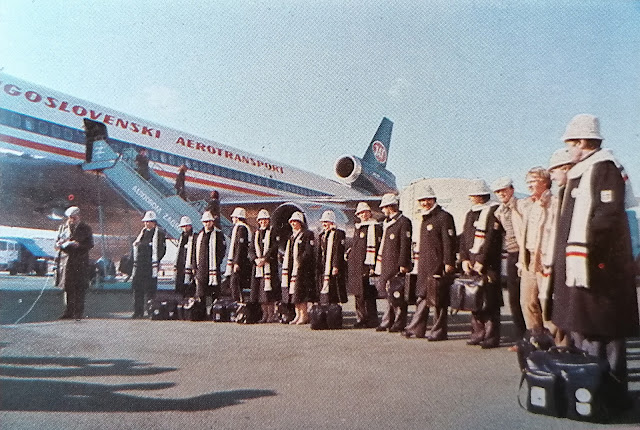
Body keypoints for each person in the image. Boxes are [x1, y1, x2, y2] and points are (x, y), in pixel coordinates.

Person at [551, 114, 638, 403]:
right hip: (579, 267)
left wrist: (589, 255)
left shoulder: (604, 169)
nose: (569, 148)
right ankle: (587, 386)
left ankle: (610, 391)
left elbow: (606, 215)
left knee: (604, 330)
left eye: (572, 142)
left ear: (584, 142)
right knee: (583, 327)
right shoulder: (581, 172)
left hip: (598, 270)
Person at [517, 167, 565, 344]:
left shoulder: (555, 202)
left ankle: (555, 343)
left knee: (547, 303)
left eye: (534, 181)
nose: (529, 185)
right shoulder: (528, 204)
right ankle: (536, 338)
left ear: (545, 182)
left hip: (545, 258)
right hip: (528, 258)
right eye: (528, 181)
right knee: (527, 301)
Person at [402, 186, 456, 340]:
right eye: (422, 200)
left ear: (434, 200)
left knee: (439, 299)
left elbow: (449, 242)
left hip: (438, 264)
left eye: (428, 199)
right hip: (424, 265)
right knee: (423, 296)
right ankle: (417, 329)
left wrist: (448, 262)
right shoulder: (424, 218)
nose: (425, 203)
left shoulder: (443, 217)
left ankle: (438, 331)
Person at [459, 180, 503, 349]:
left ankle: (491, 336)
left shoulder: (492, 211)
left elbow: (491, 239)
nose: (472, 197)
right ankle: (477, 332)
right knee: (474, 299)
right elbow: (464, 237)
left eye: (475, 194)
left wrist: (481, 261)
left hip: (488, 264)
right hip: (471, 261)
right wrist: (464, 259)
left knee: (489, 300)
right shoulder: (471, 213)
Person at [491, 176, 528, 349]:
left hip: (525, 253)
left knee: (528, 299)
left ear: (511, 190)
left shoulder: (522, 205)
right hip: (512, 254)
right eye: (498, 192)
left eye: (504, 190)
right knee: (514, 299)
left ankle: (534, 339)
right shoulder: (498, 212)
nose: (501, 194)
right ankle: (521, 339)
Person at [374, 193, 412, 333]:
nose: (383, 210)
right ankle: (387, 320)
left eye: (384, 207)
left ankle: (399, 322)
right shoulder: (387, 223)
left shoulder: (403, 222)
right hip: (386, 262)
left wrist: (403, 263)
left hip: (396, 263)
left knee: (398, 293)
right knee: (389, 293)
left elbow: (404, 245)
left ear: (390, 207)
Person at [55, 206, 94, 320]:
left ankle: (78, 312)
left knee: (79, 287)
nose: (71, 219)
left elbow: (90, 244)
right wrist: (60, 244)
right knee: (67, 287)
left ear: (78, 216)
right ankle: (68, 311)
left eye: (73, 217)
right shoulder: (63, 228)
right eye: (69, 217)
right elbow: (56, 244)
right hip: (66, 261)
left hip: (80, 262)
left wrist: (79, 245)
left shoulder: (86, 228)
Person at [347, 202, 382, 328]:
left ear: (370, 213)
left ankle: (372, 319)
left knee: (368, 294)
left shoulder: (374, 227)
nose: (363, 215)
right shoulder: (358, 227)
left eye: (365, 212)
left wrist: (373, 266)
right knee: (358, 294)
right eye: (361, 213)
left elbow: (377, 247)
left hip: (367, 265)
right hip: (356, 265)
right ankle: (361, 318)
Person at [281, 211, 316, 325]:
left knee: (301, 293)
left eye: (296, 222)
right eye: (292, 222)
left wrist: (301, 261)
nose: (294, 224)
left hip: (303, 269)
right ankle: (297, 314)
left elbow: (308, 251)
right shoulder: (292, 237)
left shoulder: (307, 234)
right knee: (294, 293)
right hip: (293, 269)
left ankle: (304, 315)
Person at [131, 211, 167, 318]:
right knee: (138, 289)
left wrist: (157, 260)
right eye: (145, 222)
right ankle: (138, 311)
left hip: (150, 266)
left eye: (149, 222)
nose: (147, 224)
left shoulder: (159, 233)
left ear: (154, 222)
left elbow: (162, 249)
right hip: (140, 265)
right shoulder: (142, 233)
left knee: (150, 290)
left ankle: (151, 310)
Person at [249, 209, 281, 323]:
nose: (263, 222)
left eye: (265, 220)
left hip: (269, 267)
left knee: (269, 293)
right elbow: (251, 249)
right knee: (260, 293)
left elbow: (274, 248)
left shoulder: (273, 232)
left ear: (268, 221)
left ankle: (271, 315)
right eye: (261, 220)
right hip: (258, 268)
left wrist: (265, 259)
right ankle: (264, 315)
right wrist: (255, 259)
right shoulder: (255, 233)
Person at [193, 211, 226, 301]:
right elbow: (194, 252)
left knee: (213, 295)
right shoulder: (198, 235)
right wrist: (194, 266)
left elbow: (222, 251)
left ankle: (212, 313)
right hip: (201, 270)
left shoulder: (218, 235)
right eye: (205, 222)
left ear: (212, 222)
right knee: (201, 295)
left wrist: (217, 262)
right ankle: (203, 313)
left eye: (209, 221)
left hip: (213, 269)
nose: (207, 224)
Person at [316, 210, 348, 306]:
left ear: (332, 222)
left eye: (326, 222)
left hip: (333, 266)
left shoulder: (338, 233)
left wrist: (335, 266)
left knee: (334, 289)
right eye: (323, 222)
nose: (324, 224)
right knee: (325, 290)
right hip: (324, 266)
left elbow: (338, 251)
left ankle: (335, 311)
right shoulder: (322, 235)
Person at [225, 207, 252, 302]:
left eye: (233, 217)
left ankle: (238, 302)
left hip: (241, 262)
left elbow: (240, 247)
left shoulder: (241, 229)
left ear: (237, 217)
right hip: (240, 261)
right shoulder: (241, 228)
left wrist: (237, 262)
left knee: (235, 283)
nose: (232, 219)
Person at [174, 216, 195, 297]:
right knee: (180, 286)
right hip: (180, 266)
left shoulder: (194, 237)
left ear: (190, 226)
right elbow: (179, 252)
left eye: (187, 226)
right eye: (183, 226)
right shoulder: (181, 237)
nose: (185, 228)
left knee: (189, 287)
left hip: (189, 266)